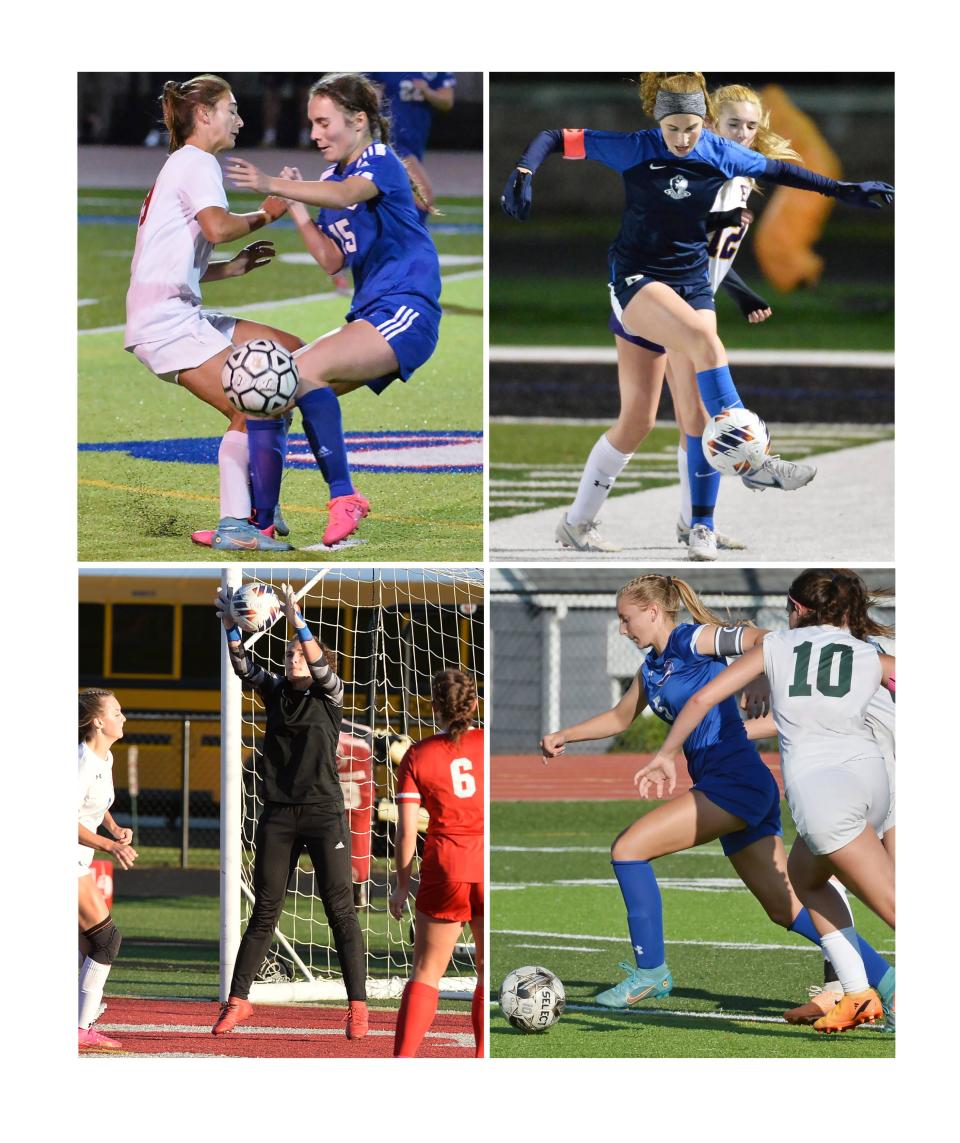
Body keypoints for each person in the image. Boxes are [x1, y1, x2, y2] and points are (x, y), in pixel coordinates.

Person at [503, 72, 894, 561]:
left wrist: (846, 190)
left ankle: (656, 527)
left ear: (703, 123)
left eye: (692, 129)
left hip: (691, 287)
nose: (685, 139)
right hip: (637, 281)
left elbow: (784, 173)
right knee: (707, 347)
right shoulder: (633, 147)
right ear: (659, 121)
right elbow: (554, 138)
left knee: (659, 419)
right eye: (675, 129)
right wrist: (524, 170)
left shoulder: (720, 152)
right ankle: (757, 461)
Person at [539, 574, 894, 1025]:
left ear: (653, 612)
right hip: (740, 785)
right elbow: (620, 716)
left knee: (628, 848)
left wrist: (765, 673)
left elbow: (767, 638)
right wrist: (563, 735)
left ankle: (651, 971)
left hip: (734, 784)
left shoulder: (693, 639)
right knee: (786, 908)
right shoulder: (653, 669)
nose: (623, 630)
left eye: (627, 619)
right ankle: (889, 983)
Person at [643, 569, 895, 1032]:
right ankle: (857, 993)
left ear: (797, 607)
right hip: (876, 782)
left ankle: (880, 992)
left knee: (895, 905)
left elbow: (700, 701)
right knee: (804, 876)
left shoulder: (777, 646)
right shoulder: (868, 653)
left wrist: (664, 754)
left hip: (825, 792)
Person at [124, 74, 364, 551]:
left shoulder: (184, 164)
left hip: (176, 311)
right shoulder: (196, 162)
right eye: (232, 108)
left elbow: (163, 260)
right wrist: (268, 213)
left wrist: (229, 270)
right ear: (205, 115)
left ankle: (262, 503)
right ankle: (237, 523)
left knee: (293, 357)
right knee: (248, 402)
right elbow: (216, 224)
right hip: (165, 324)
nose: (240, 118)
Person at [226, 73, 442, 550]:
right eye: (312, 124)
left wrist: (269, 182)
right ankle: (259, 523)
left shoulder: (380, 159)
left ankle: (344, 496)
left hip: (407, 309)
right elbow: (331, 260)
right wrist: (297, 208)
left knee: (294, 373)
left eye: (324, 123)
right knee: (274, 393)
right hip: (370, 312)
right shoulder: (328, 178)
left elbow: (347, 197)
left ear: (359, 121)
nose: (315, 134)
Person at [212, 582, 368, 1039]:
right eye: (289, 655)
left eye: (298, 654)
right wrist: (230, 627)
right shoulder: (276, 691)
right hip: (279, 814)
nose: (292, 658)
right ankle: (238, 1002)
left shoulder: (330, 695)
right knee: (265, 910)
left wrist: (297, 616)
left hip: (324, 813)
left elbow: (320, 663)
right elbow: (243, 668)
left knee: (340, 910)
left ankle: (357, 1007)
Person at [389, 670, 484, 1058]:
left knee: (428, 972)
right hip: (486, 863)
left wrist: (400, 884)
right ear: (474, 704)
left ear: (434, 707)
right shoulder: (489, 747)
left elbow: (407, 833)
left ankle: (403, 1060)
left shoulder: (417, 755)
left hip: (446, 864)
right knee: (486, 971)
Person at [78, 689, 139, 1051]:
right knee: (106, 939)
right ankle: (80, 1026)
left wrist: (113, 827)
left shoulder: (106, 758)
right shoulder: (82, 762)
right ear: (98, 721)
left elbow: (93, 804)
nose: (124, 717)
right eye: (117, 712)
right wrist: (111, 845)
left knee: (86, 945)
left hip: (78, 860)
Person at [366, 73, 456, 217]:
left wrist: (427, 92)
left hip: (415, 140)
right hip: (392, 138)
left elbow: (447, 101)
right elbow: (367, 92)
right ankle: (413, 238)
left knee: (396, 199)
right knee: (424, 199)